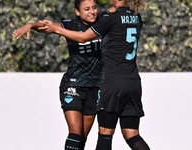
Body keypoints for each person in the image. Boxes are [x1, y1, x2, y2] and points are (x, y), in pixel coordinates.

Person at [39, 0, 150, 149]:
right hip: (133, 81)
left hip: (112, 82)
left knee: (105, 135)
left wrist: (56, 29)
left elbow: (83, 37)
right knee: (132, 134)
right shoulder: (137, 17)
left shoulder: (111, 18)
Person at [12, 0, 115, 150]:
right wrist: (31, 26)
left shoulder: (102, 20)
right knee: (74, 133)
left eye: (94, 7)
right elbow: (48, 26)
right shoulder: (70, 25)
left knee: (82, 138)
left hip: (95, 86)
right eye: (86, 9)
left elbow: (118, 7)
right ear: (77, 12)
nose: (92, 12)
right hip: (73, 84)